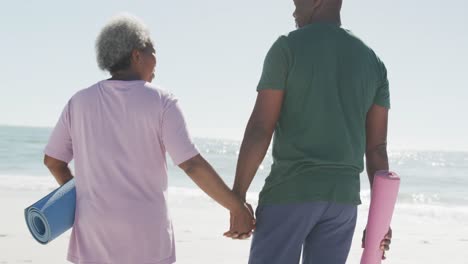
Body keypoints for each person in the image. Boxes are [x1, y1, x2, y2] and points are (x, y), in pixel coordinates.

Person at [43, 14, 254, 264]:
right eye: (152, 51)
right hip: (146, 237)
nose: (156, 61)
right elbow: (191, 164)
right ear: (136, 55)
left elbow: (53, 160)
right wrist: (236, 206)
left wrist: (80, 197)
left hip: (93, 234)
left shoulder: (78, 102)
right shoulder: (162, 101)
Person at [224, 0, 392, 263]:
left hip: (290, 193)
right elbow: (377, 150)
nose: (293, 10)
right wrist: (381, 221)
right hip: (343, 202)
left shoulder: (287, 47)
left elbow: (260, 128)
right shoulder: (373, 63)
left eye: (296, 2)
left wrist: (238, 197)